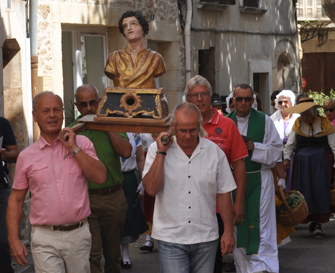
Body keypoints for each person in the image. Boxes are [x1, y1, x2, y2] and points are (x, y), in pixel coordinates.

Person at [7, 92, 107, 273]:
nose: (52, 115)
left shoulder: (82, 143)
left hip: (78, 234)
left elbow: (100, 177)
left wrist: (73, 148)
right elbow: (16, 200)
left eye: (56, 110)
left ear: (63, 114)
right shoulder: (26, 156)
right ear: (35, 116)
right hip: (45, 237)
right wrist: (13, 240)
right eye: (46, 111)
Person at [142, 102, 236, 273]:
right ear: (172, 127)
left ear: (199, 126)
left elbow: (224, 194)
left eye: (192, 130)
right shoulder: (156, 150)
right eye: (182, 130)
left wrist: (228, 231)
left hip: (206, 237)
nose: (187, 136)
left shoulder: (215, 153)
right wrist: (161, 153)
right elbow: (151, 189)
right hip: (171, 237)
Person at [185, 75, 248, 273]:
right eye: (194, 95)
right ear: (187, 99)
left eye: (204, 94)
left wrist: (238, 202)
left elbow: (239, 165)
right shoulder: (178, 127)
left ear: (210, 97)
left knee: (213, 263)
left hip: (219, 208)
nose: (200, 99)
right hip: (187, 208)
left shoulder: (227, 125)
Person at [71, 84, 131, 273]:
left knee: (113, 255)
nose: (88, 108)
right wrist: (76, 132)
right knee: (92, 255)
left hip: (113, 196)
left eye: (93, 103)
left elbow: (126, 152)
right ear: (76, 106)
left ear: (100, 102)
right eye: (83, 104)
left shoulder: (111, 122)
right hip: (85, 198)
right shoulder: (73, 130)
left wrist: (106, 125)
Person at [227, 84, 282, 273]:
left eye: (247, 99)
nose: (243, 103)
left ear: (253, 101)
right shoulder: (226, 122)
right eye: (239, 99)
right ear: (232, 100)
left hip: (260, 179)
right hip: (233, 182)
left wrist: (255, 147)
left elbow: (276, 151)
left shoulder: (265, 121)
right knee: (237, 223)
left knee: (262, 226)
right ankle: (243, 267)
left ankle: (263, 268)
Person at [283, 97, 335, 239]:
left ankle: (318, 222)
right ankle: (307, 218)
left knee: (319, 190)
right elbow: (290, 144)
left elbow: (333, 145)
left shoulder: (325, 124)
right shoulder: (298, 124)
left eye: (307, 114)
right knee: (304, 190)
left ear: (313, 112)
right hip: (302, 164)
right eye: (302, 114)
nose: (304, 117)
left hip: (321, 162)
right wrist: (286, 158)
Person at [104, 10, 166, 88]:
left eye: (133, 23)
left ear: (143, 28)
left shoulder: (155, 58)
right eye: (125, 26)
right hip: (121, 99)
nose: (129, 28)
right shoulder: (114, 57)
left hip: (147, 99)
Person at [120, 132, 148, 269]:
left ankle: (125, 253)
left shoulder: (134, 134)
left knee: (128, 217)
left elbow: (140, 158)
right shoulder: (106, 129)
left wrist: (143, 181)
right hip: (111, 178)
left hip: (129, 177)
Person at [0, 117, 19, 273]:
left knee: (3, 240)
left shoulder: (2, 123)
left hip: (1, 188)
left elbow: (15, 153)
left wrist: (5, 155)